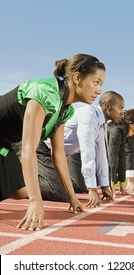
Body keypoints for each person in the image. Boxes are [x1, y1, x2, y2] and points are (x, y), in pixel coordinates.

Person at [0, 53, 106, 231]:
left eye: (101, 84)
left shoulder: (65, 109)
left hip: (3, 145)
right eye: (96, 82)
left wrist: (71, 196)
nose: (99, 90)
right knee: (27, 193)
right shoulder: (45, 93)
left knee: (18, 190)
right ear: (77, 77)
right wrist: (35, 201)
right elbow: (28, 151)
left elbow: (58, 154)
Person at [37, 90, 125, 207]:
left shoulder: (100, 123)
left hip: (59, 155)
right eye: (121, 108)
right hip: (43, 150)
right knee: (62, 192)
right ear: (108, 107)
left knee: (75, 187)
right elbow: (87, 150)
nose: (122, 113)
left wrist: (104, 186)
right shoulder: (89, 114)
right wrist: (92, 188)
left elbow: (101, 155)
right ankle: (21, 182)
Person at [106, 109, 134, 195]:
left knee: (114, 176)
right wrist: (111, 185)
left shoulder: (125, 133)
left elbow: (122, 156)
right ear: (131, 123)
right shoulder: (117, 131)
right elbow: (112, 157)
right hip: (78, 153)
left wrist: (121, 183)